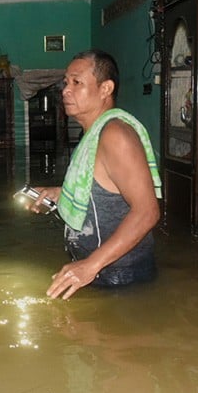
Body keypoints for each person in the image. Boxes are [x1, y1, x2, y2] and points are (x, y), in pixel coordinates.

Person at [32, 49, 162, 300]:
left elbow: (147, 211)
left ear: (105, 89)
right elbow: (103, 188)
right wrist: (58, 194)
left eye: (77, 82)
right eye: (66, 83)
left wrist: (90, 266)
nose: (65, 90)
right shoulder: (94, 134)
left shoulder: (115, 135)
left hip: (118, 276)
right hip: (101, 271)